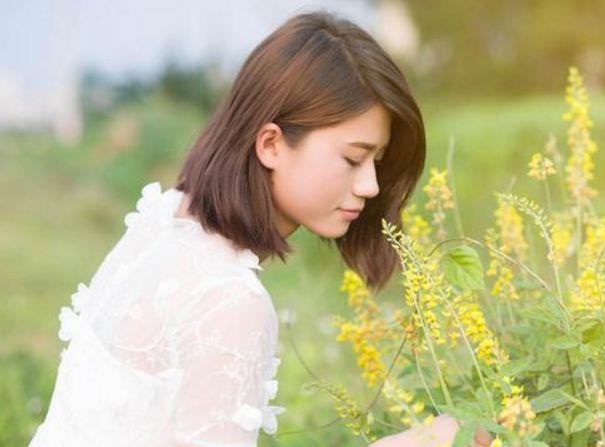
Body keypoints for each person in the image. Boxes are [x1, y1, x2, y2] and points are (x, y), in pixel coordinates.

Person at [28, 9, 492, 447]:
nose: (371, 185)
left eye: (378, 162)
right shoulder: (230, 301)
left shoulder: (166, 218)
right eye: (353, 158)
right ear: (270, 144)